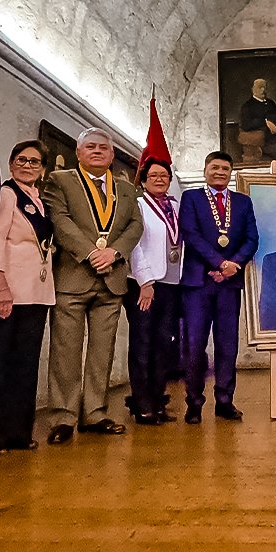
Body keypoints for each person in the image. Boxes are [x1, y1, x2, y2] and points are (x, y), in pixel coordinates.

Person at [42, 128, 143, 444]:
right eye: (91, 146)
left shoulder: (126, 189)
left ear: (112, 155)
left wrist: (114, 252)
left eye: (104, 148)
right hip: (73, 277)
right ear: (79, 151)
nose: (98, 151)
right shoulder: (60, 181)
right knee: (66, 351)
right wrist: (91, 253)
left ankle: (95, 413)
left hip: (111, 280)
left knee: (103, 351)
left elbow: (135, 225)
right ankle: (63, 416)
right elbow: (60, 221)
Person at [0, 140, 55, 456]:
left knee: (25, 365)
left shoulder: (38, 199)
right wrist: (1, 288)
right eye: (21, 159)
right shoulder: (6, 194)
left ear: (43, 169)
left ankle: (19, 432)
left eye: (35, 162)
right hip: (4, 292)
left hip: (34, 293)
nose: (27, 165)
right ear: (11, 164)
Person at [178, 151, 259, 423]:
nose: (220, 172)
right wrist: (219, 262)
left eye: (225, 168)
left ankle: (225, 400)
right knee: (195, 345)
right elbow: (190, 234)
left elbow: (251, 239)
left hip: (229, 284)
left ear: (231, 172)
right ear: (205, 170)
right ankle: (194, 403)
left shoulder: (243, 202)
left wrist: (232, 265)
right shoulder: (191, 198)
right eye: (215, 167)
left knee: (227, 345)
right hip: (197, 283)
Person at [125, 159, 183, 425]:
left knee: (164, 344)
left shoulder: (175, 207)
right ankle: (141, 403)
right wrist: (144, 282)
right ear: (144, 180)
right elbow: (133, 244)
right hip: (143, 284)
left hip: (171, 282)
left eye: (164, 175)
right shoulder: (137, 205)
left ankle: (158, 400)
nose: (160, 179)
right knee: (142, 343)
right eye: (154, 175)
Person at [238, 78, 276, 163]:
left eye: (264, 87)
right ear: (253, 89)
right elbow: (246, 125)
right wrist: (265, 122)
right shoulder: (247, 106)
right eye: (260, 87)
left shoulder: (270, 103)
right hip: (264, 141)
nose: (263, 90)